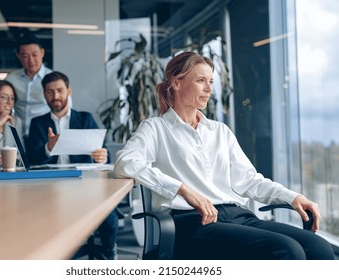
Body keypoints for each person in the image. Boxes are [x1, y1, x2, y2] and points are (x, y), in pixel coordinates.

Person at [114, 51, 335, 260]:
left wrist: (293, 197)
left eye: (211, 82)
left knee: (319, 248)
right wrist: (183, 190)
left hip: (237, 216)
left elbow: (249, 180)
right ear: (176, 83)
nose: (209, 89)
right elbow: (126, 162)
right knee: (287, 251)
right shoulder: (156, 128)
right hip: (193, 221)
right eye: (201, 81)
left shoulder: (219, 131)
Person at [27, 71, 118, 259]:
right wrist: (48, 148)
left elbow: (105, 153)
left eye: (60, 90)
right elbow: (33, 160)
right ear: (44, 94)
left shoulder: (85, 119)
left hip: (84, 183)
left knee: (108, 211)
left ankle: (109, 251)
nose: (55, 96)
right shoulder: (37, 123)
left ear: (69, 91)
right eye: (50, 92)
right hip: (50, 186)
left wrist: (102, 156)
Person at [5, 33, 52, 136]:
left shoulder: (53, 79)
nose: (31, 60)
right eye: (25, 56)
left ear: (42, 53)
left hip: (44, 135)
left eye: (34, 55)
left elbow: (65, 109)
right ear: (18, 56)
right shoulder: (11, 79)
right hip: (18, 134)